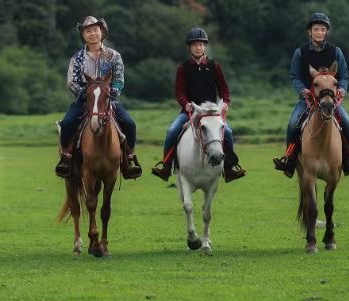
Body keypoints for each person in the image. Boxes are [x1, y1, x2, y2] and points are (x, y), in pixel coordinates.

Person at [272, 11, 349, 178]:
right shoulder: (300, 53)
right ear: (310, 32)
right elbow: (294, 76)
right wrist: (303, 90)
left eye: (323, 29)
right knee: (293, 125)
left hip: (330, 100)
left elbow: (344, 75)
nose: (320, 32)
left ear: (326, 32)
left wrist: (342, 88)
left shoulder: (336, 52)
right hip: (307, 100)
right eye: (316, 29)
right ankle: (289, 160)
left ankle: (348, 160)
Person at [151, 26, 246, 183]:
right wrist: (186, 103)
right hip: (189, 111)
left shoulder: (214, 66)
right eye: (195, 44)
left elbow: (224, 89)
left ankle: (229, 168)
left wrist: (226, 102)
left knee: (228, 132)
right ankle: (166, 167)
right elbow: (179, 91)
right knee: (172, 130)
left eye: (201, 44)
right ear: (189, 47)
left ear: (205, 46)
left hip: (211, 113)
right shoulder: (183, 68)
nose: (198, 47)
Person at [56, 15, 143, 180]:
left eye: (95, 30)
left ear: (102, 32)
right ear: (83, 35)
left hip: (108, 100)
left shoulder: (114, 56)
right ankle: (66, 158)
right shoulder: (77, 59)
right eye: (88, 31)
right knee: (67, 124)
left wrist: (112, 93)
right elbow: (71, 82)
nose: (92, 34)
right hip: (84, 100)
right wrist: (84, 93)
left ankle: (129, 159)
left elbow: (119, 80)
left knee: (130, 124)